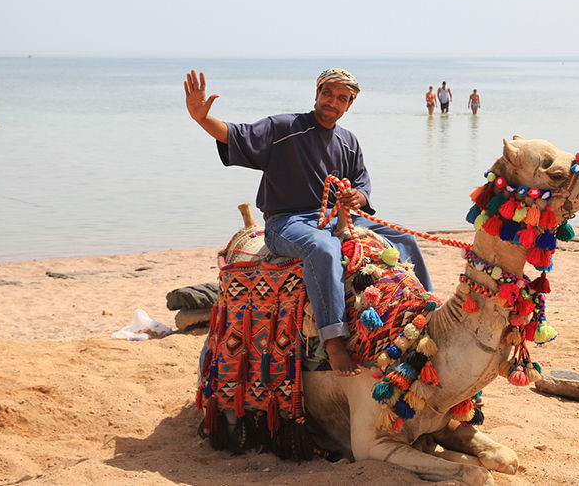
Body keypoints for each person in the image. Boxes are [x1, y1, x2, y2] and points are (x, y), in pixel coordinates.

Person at [184, 68, 434, 377]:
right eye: (328, 93)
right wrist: (201, 118)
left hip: (341, 218)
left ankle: (427, 313)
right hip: (288, 221)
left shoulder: (349, 142)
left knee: (405, 240)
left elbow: (362, 186)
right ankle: (334, 340)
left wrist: (357, 198)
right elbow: (234, 134)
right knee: (324, 249)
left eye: (342, 98)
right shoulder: (284, 128)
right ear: (316, 94)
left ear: (349, 105)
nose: (333, 101)